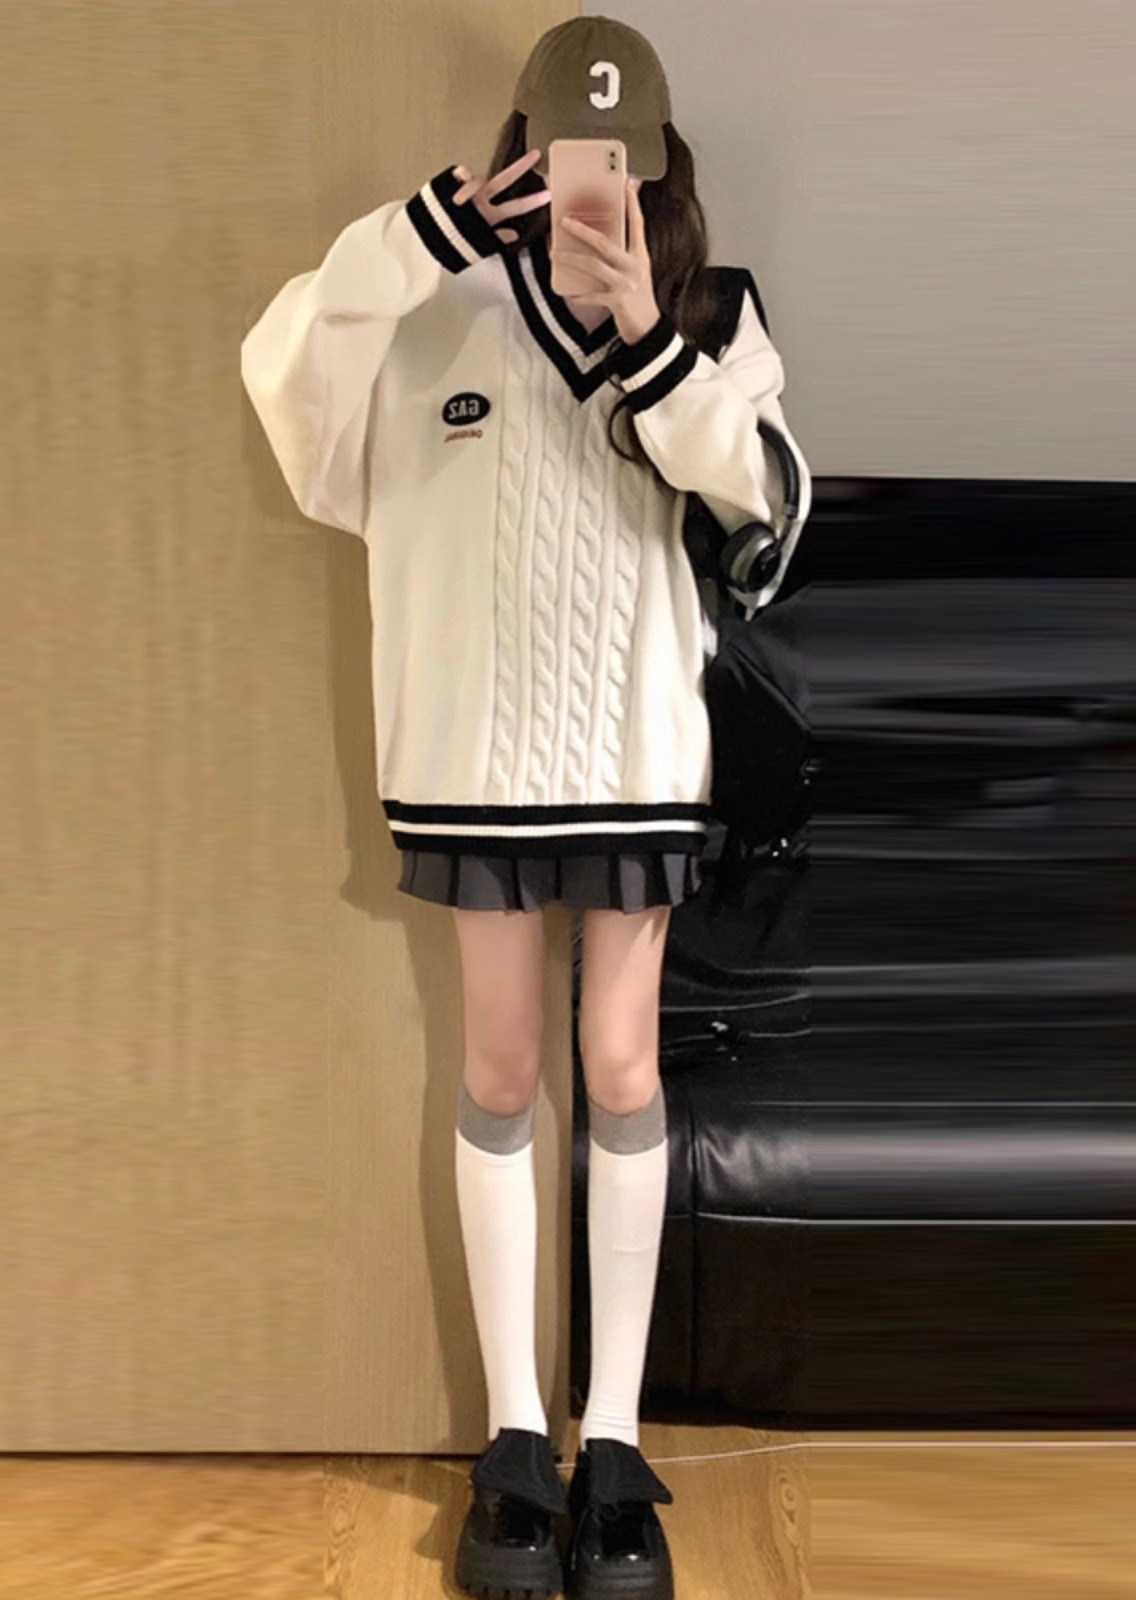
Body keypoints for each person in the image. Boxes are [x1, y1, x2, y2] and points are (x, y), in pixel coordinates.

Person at [241, 17, 810, 1598]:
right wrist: (415, 238)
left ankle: (611, 1441)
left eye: (617, 158)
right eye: (564, 153)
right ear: (521, 150)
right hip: (473, 758)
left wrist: (650, 343)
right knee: (499, 1066)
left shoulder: (713, 315)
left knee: (619, 1064)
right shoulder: (424, 306)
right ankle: (514, 1440)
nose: (587, 185)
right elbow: (291, 395)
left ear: (657, 161)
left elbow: (767, 511)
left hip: (634, 755)